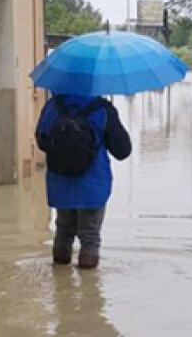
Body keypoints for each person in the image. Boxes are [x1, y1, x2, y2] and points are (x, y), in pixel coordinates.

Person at [35, 94, 131, 269]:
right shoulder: (103, 109)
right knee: (90, 237)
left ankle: (60, 287)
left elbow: (42, 142)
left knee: (63, 231)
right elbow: (123, 151)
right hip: (92, 185)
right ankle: (89, 290)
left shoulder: (52, 106)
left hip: (61, 184)